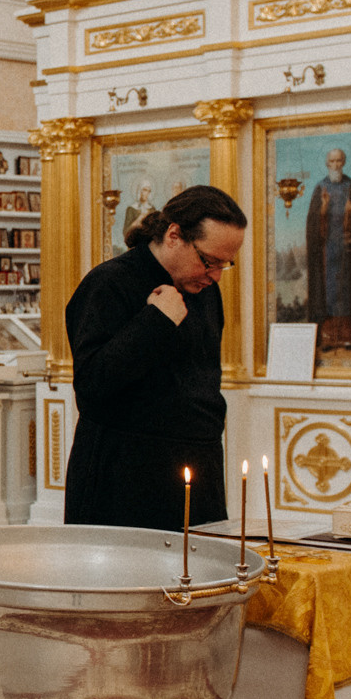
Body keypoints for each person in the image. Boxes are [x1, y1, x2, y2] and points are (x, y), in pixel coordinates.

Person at [63, 183, 247, 529]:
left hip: (199, 472)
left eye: (225, 264)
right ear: (174, 235)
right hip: (124, 482)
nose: (216, 276)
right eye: (209, 261)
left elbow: (202, 383)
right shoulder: (108, 283)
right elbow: (91, 386)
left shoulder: (206, 290)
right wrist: (155, 322)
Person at [305, 148, 351, 351]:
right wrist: (323, 209)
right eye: (332, 161)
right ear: (327, 164)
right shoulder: (320, 187)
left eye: (339, 161)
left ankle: (347, 336)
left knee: (347, 292)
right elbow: (313, 222)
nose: (335, 165)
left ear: (344, 163)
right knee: (328, 293)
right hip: (326, 251)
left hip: (347, 250)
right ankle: (328, 338)